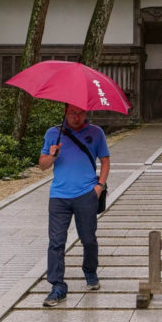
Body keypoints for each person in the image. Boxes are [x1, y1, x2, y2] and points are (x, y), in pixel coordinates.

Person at [38, 104, 111, 307]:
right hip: (59, 195)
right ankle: (57, 286)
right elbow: (42, 165)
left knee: (88, 239)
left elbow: (105, 160)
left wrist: (99, 186)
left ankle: (90, 271)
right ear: (65, 113)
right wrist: (52, 155)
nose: (76, 117)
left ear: (86, 113)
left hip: (86, 194)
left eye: (80, 113)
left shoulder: (96, 133)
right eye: (72, 113)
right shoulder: (53, 133)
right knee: (56, 242)